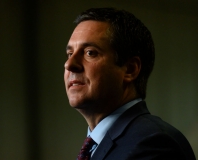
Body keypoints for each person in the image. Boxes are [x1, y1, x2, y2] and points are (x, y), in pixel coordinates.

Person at [64, 8, 196, 160]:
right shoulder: (98, 146)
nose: (69, 64)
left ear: (130, 69)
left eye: (90, 52)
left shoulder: (153, 144)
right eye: (69, 54)